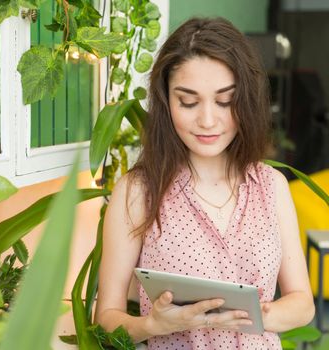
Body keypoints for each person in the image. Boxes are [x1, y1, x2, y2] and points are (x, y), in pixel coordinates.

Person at [95, 17, 315, 349]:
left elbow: (302, 303)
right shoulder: (137, 191)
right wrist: (152, 325)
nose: (208, 120)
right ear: (166, 101)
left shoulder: (271, 186)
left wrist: (253, 315)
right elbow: (107, 318)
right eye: (188, 101)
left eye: (225, 101)